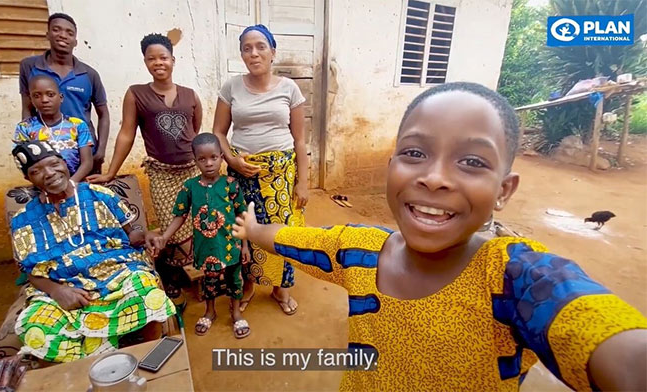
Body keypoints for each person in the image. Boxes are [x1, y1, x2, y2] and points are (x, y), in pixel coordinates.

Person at [231, 82, 647, 391]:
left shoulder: (514, 280)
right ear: (391, 166)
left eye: (471, 161)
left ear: (504, 190)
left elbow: (613, 345)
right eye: (415, 153)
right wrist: (252, 229)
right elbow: (294, 241)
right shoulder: (357, 250)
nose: (434, 178)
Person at [9, 140, 175, 363]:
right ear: (29, 179)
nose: (49, 173)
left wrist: (147, 234)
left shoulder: (98, 194)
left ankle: (149, 363)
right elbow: (32, 272)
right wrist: (58, 292)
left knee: (147, 292)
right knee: (36, 326)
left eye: (53, 164)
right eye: (36, 171)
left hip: (116, 275)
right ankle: (79, 377)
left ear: (64, 162)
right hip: (64, 287)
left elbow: (132, 234)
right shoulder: (24, 219)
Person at [88, 33, 203, 307]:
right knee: (169, 224)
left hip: (191, 171)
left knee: (197, 221)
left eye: (163, 57)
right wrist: (110, 172)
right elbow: (127, 133)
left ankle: (195, 270)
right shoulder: (136, 94)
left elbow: (195, 129)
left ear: (173, 60)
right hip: (161, 172)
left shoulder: (190, 95)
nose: (158, 63)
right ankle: (170, 273)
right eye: (151, 58)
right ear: (145, 62)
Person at [213, 24, 308, 315]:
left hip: (279, 175)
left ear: (272, 51)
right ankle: (249, 284)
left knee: (281, 232)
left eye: (260, 46)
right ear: (241, 54)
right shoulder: (231, 88)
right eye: (246, 48)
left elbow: (300, 140)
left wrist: (303, 181)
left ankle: (281, 288)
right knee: (244, 230)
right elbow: (218, 132)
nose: (253, 53)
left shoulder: (289, 88)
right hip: (242, 173)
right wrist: (231, 160)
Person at [155, 133, 250, 338]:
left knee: (235, 279)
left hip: (230, 245)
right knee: (210, 281)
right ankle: (210, 311)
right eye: (202, 159)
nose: (209, 163)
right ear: (195, 160)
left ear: (222, 157)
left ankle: (235, 313)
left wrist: (245, 246)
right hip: (205, 248)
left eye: (214, 157)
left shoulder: (230, 184)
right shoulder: (190, 187)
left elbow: (242, 215)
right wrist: (165, 236)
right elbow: (179, 215)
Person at [19, 13, 110, 174]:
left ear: (75, 41)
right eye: (56, 29)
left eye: (69, 33)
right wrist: (29, 146)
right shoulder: (29, 66)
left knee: (88, 196)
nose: (63, 35)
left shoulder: (89, 74)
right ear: (47, 34)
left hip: (85, 152)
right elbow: (27, 108)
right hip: (46, 151)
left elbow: (103, 114)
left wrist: (101, 150)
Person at [14, 74, 93, 183]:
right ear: (31, 100)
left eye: (50, 94)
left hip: (76, 182)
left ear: (60, 98)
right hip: (44, 185)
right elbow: (25, 165)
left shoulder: (78, 125)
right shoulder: (25, 128)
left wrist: (71, 183)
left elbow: (87, 162)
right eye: (37, 96)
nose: (44, 100)